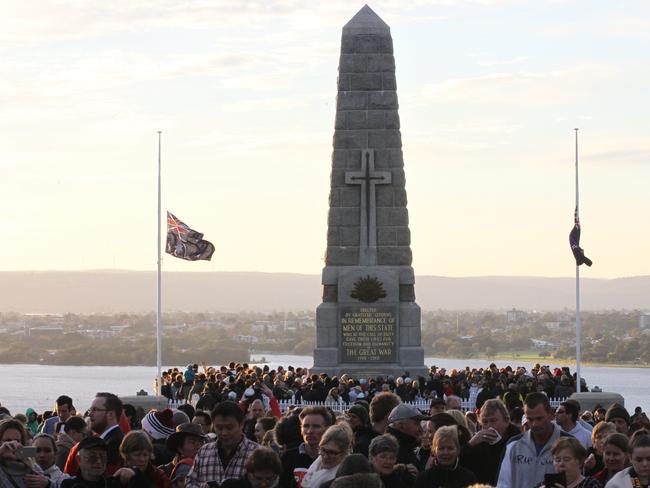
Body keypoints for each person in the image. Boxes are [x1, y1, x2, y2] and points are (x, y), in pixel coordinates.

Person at [497, 392, 571, 488]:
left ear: (551, 414)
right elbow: (503, 484)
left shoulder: (568, 444)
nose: (535, 424)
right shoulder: (513, 445)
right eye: (530, 419)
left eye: (539, 418)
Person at [185, 401, 259, 487]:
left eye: (229, 428)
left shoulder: (257, 454)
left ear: (241, 424)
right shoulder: (204, 452)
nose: (224, 433)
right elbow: (189, 483)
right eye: (219, 428)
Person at [460, 399, 521, 485]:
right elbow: (458, 465)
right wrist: (470, 444)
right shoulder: (478, 444)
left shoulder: (518, 443)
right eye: (485, 422)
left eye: (493, 421)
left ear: (506, 421)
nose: (489, 426)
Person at [65, 393, 125, 477]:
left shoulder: (115, 443)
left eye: (95, 410)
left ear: (110, 414)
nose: (90, 414)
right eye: (90, 410)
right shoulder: (110, 439)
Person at [280, 407, 333, 488]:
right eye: (306, 426)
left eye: (316, 426)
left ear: (328, 429)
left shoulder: (333, 459)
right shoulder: (287, 457)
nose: (310, 431)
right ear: (301, 429)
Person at [60, 437, 126, 488]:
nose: (99, 461)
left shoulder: (113, 484)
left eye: (103, 456)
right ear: (79, 459)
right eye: (92, 457)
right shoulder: (69, 485)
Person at [301, 424, 353, 488]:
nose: (325, 456)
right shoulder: (317, 464)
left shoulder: (343, 479)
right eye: (323, 450)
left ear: (344, 453)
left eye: (332, 453)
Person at [0, 418, 45, 487]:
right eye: (7, 440)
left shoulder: (32, 467)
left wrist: (47, 483)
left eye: (17, 440)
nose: (13, 443)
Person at [354, 392, 401, 457]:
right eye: (397, 413)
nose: (399, 417)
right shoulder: (364, 445)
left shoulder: (390, 440)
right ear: (389, 415)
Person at [386, 404, 430, 472]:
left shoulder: (406, 445)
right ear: (401, 426)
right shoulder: (390, 449)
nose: (421, 429)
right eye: (416, 423)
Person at [161, 423, 206, 487]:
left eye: (201, 442)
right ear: (180, 447)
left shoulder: (207, 468)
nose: (198, 446)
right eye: (192, 442)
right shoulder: (162, 473)